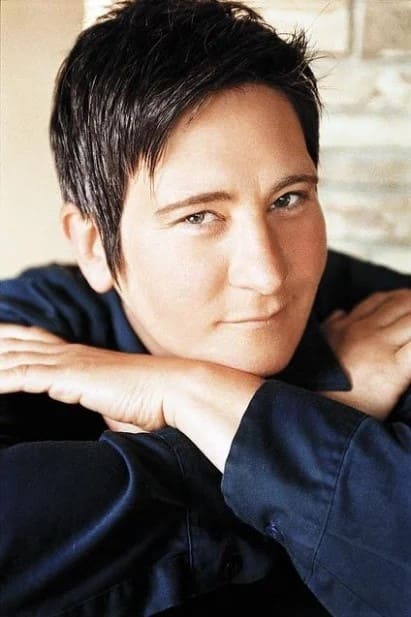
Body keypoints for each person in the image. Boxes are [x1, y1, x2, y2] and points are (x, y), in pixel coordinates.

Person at [0, 0, 410, 615]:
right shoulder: (33, 336)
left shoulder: (390, 326)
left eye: (289, 199)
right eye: (199, 216)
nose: (268, 272)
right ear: (95, 245)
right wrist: (315, 415)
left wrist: (184, 392)